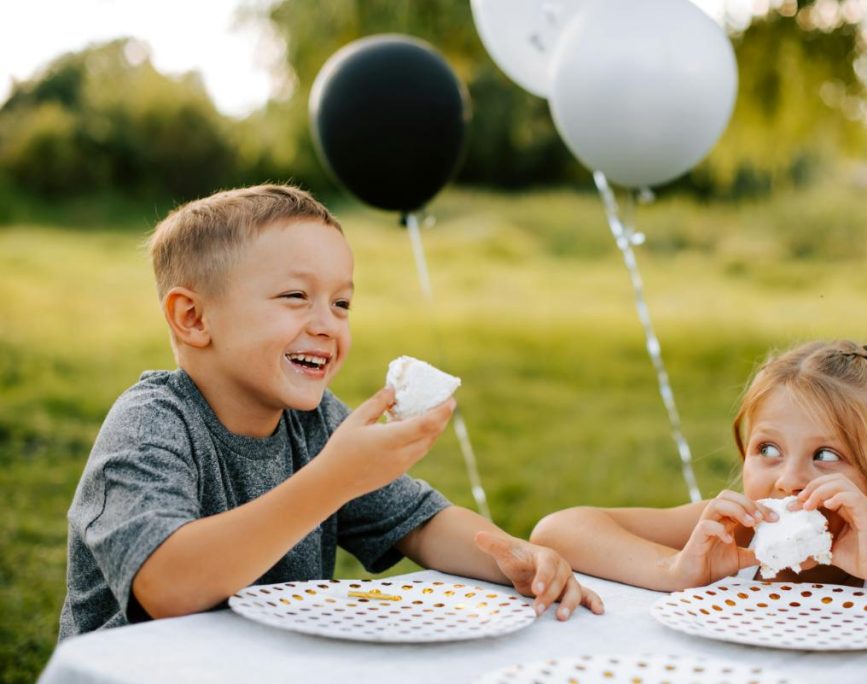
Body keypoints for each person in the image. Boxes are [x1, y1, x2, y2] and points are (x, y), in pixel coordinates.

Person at [59, 184, 603, 640]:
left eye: (342, 303)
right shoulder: (151, 425)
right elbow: (168, 586)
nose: (327, 324)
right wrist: (333, 479)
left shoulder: (315, 422)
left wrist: (510, 554)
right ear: (193, 317)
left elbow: (420, 524)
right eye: (296, 296)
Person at [531, 339, 867, 617]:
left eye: (826, 455)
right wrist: (676, 570)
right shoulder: (731, 537)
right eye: (768, 449)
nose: (788, 480)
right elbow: (559, 530)